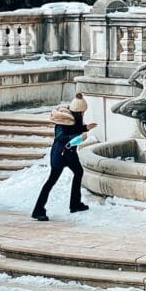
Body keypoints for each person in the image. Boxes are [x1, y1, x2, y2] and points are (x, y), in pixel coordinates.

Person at [32, 92, 97, 221]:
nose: (83, 115)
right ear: (78, 112)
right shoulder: (63, 120)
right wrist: (78, 137)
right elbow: (61, 137)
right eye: (82, 113)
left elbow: (75, 129)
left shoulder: (73, 119)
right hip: (60, 155)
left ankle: (75, 204)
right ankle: (38, 210)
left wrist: (86, 128)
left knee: (79, 172)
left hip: (70, 154)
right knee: (51, 181)